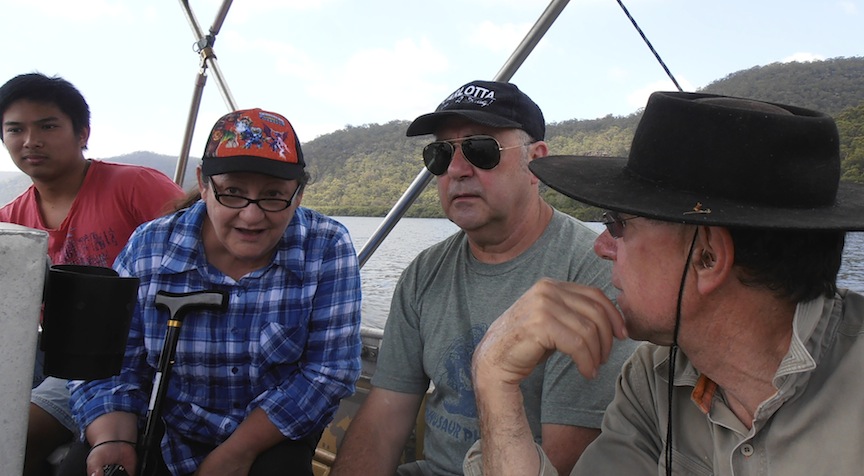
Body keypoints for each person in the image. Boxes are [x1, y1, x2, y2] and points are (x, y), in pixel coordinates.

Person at [463, 91, 864, 475]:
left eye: (617, 225)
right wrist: (494, 380)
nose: (601, 247)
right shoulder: (653, 381)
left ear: (707, 257)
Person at [331, 80, 638, 476]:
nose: (456, 170)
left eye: (481, 149)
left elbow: (562, 463)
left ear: (536, 163)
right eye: (441, 154)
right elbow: (382, 422)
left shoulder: (593, 273)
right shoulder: (424, 273)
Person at [66, 108, 363, 476]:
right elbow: (112, 363)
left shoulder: (326, 246)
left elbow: (328, 372)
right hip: (164, 425)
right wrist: (113, 440)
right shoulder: (149, 246)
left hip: (270, 435)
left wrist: (236, 453)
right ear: (204, 185)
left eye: (274, 196)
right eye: (232, 193)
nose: (251, 216)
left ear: (298, 194)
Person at [0, 72, 185, 476]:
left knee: (15, 435)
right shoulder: (10, 223)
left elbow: (202, 248)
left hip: (121, 357)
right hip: (48, 351)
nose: (30, 141)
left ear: (82, 133)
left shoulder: (134, 187)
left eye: (47, 126)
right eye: (15, 129)